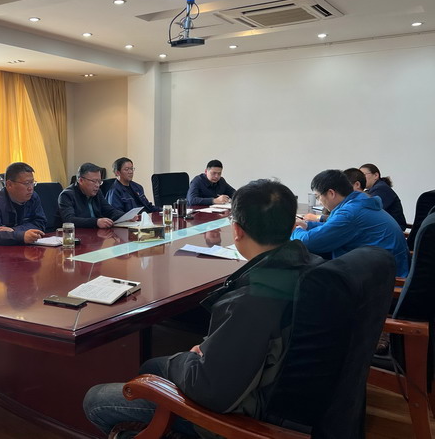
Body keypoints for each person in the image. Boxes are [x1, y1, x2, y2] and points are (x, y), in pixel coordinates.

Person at [83, 179, 323, 438]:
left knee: (97, 399)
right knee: (153, 366)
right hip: (292, 395)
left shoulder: (252, 300)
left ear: (236, 230)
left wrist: (191, 358)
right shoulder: (313, 267)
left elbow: (210, 391)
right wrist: (210, 349)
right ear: (292, 225)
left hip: (245, 416)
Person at [292, 169, 409, 277]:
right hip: (383, 268)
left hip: (382, 279)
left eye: (318, 197)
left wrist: (296, 229)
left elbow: (309, 242)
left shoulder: (350, 213)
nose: (319, 202)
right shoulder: (358, 201)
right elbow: (332, 227)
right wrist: (307, 225)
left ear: (331, 193)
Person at [0, 162, 46, 246]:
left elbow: (40, 223)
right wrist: (21, 236)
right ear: (9, 184)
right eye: (26, 183)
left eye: (32, 182)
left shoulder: (33, 197)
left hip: (25, 248)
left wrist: (15, 231)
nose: (31, 188)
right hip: (0, 252)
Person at [57, 163, 125, 228]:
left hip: (96, 232)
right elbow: (69, 220)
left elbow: (109, 211)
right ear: (81, 180)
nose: (97, 185)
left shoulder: (97, 192)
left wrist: (126, 216)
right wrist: (96, 222)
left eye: (99, 181)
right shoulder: (67, 195)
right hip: (77, 234)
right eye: (94, 181)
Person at [360, 163, 407, 230]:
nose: (361, 179)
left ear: (376, 175)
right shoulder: (373, 189)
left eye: (363, 175)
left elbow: (369, 211)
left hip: (392, 230)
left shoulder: (381, 188)